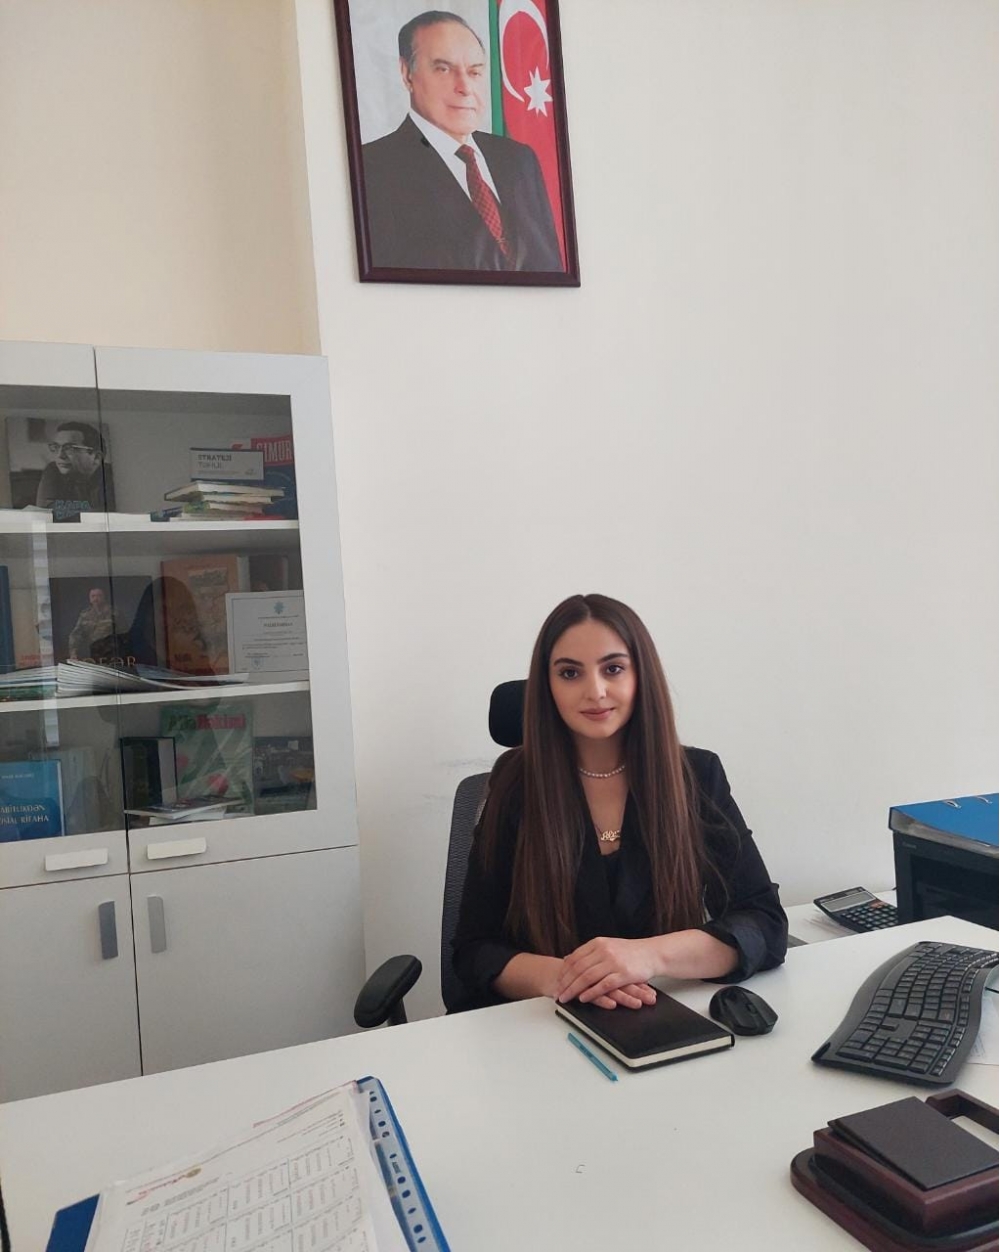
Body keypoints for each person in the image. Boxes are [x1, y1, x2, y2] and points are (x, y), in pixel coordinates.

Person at [453, 594, 788, 1012]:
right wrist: (569, 977)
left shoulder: (697, 776)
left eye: (613, 668)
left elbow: (764, 923)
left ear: (641, 675)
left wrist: (650, 956)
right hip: (546, 1020)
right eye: (570, 673)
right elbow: (474, 949)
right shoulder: (515, 783)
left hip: (662, 1012)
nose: (595, 691)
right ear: (547, 687)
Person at [361, 10, 563, 273]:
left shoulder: (519, 160)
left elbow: (550, 270)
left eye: (475, 72)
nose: (465, 87)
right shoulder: (372, 169)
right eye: (444, 69)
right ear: (407, 73)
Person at [35, 421, 108, 519]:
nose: (60, 455)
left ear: (96, 458)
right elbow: (45, 510)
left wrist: (63, 510)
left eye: (70, 448)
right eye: (56, 447)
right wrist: (92, 509)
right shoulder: (53, 469)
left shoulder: (112, 476)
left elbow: (111, 513)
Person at [67, 587, 120, 661]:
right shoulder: (85, 615)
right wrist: (73, 652)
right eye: (93, 596)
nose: (96, 599)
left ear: (104, 597)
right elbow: (76, 634)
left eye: (99, 596)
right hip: (91, 654)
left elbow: (124, 634)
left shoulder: (114, 613)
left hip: (112, 654)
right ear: (90, 599)